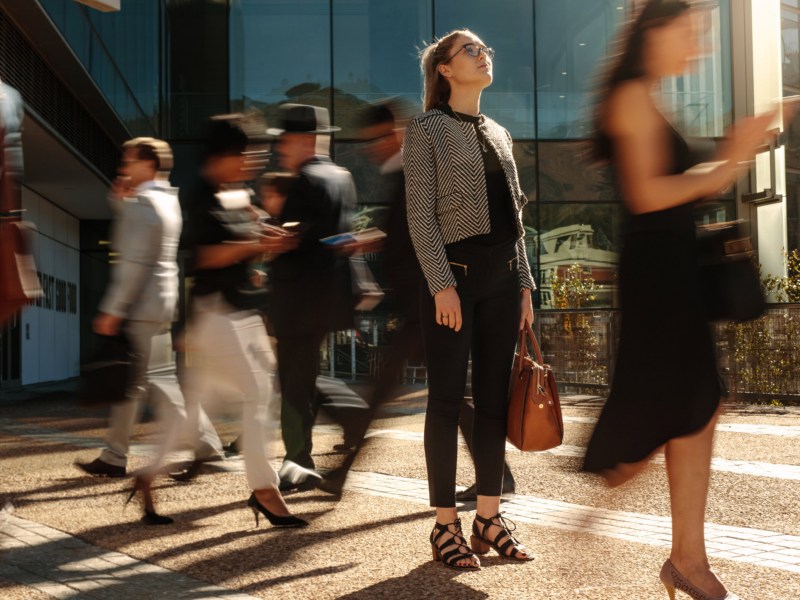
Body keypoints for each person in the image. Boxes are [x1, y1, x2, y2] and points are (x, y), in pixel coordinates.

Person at [581, 2, 775, 598]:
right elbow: (646, 193)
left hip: (674, 274)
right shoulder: (633, 96)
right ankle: (607, 474)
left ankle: (688, 560)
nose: (701, 46)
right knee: (666, 417)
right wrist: (733, 158)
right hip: (659, 281)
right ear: (655, 31)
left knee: (700, 405)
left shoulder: (652, 97)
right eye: (693, 31)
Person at [404, 29, 536, 570]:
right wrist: (440, 284)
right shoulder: (427, 129)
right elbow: (420, 215)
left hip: (505, 281)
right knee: (443, 402)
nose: (485, 55)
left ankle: (488, 517)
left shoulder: (499, 133)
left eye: (487, 48)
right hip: (454, 282)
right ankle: (444, 526)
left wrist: (526, 284)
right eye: (472, 51)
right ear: (444, 70)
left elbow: (517, 221)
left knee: (493, 403)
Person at [75, 138, 224, 496]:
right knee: (148, 381)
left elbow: (134, 262)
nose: (123, 166)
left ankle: (120, 455)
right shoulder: (165, 199)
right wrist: (119, 203)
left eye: (128, 159)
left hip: (140, 305)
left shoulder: (143, 204)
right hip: (159, 303)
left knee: (141, 381)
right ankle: (124, 454)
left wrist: (113, 309)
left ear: (147, 164)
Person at [178, 114, 306, 527]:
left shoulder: (234, 192)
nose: (253, 162)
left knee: (216, 398)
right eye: (247, 154)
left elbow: (248, 236)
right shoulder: (199, 196)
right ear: (223, 155)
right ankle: (264, 490)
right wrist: (254, 243)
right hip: (216, 311)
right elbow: (206, 256)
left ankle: (146, 477)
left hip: (244, 310)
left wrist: (267, 240)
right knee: (257, 394)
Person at [266, 104, 363, 491]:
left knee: (293, 384)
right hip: (327, 299)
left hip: (297, 300)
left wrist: (276, 238)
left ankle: (298, 461)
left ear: (304, 140)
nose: (281, 150)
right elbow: (338, 236)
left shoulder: (303, 181)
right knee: (304, 379)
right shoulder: (343, 177)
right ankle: (349, 420)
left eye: (286, 141)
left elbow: (293, 239)